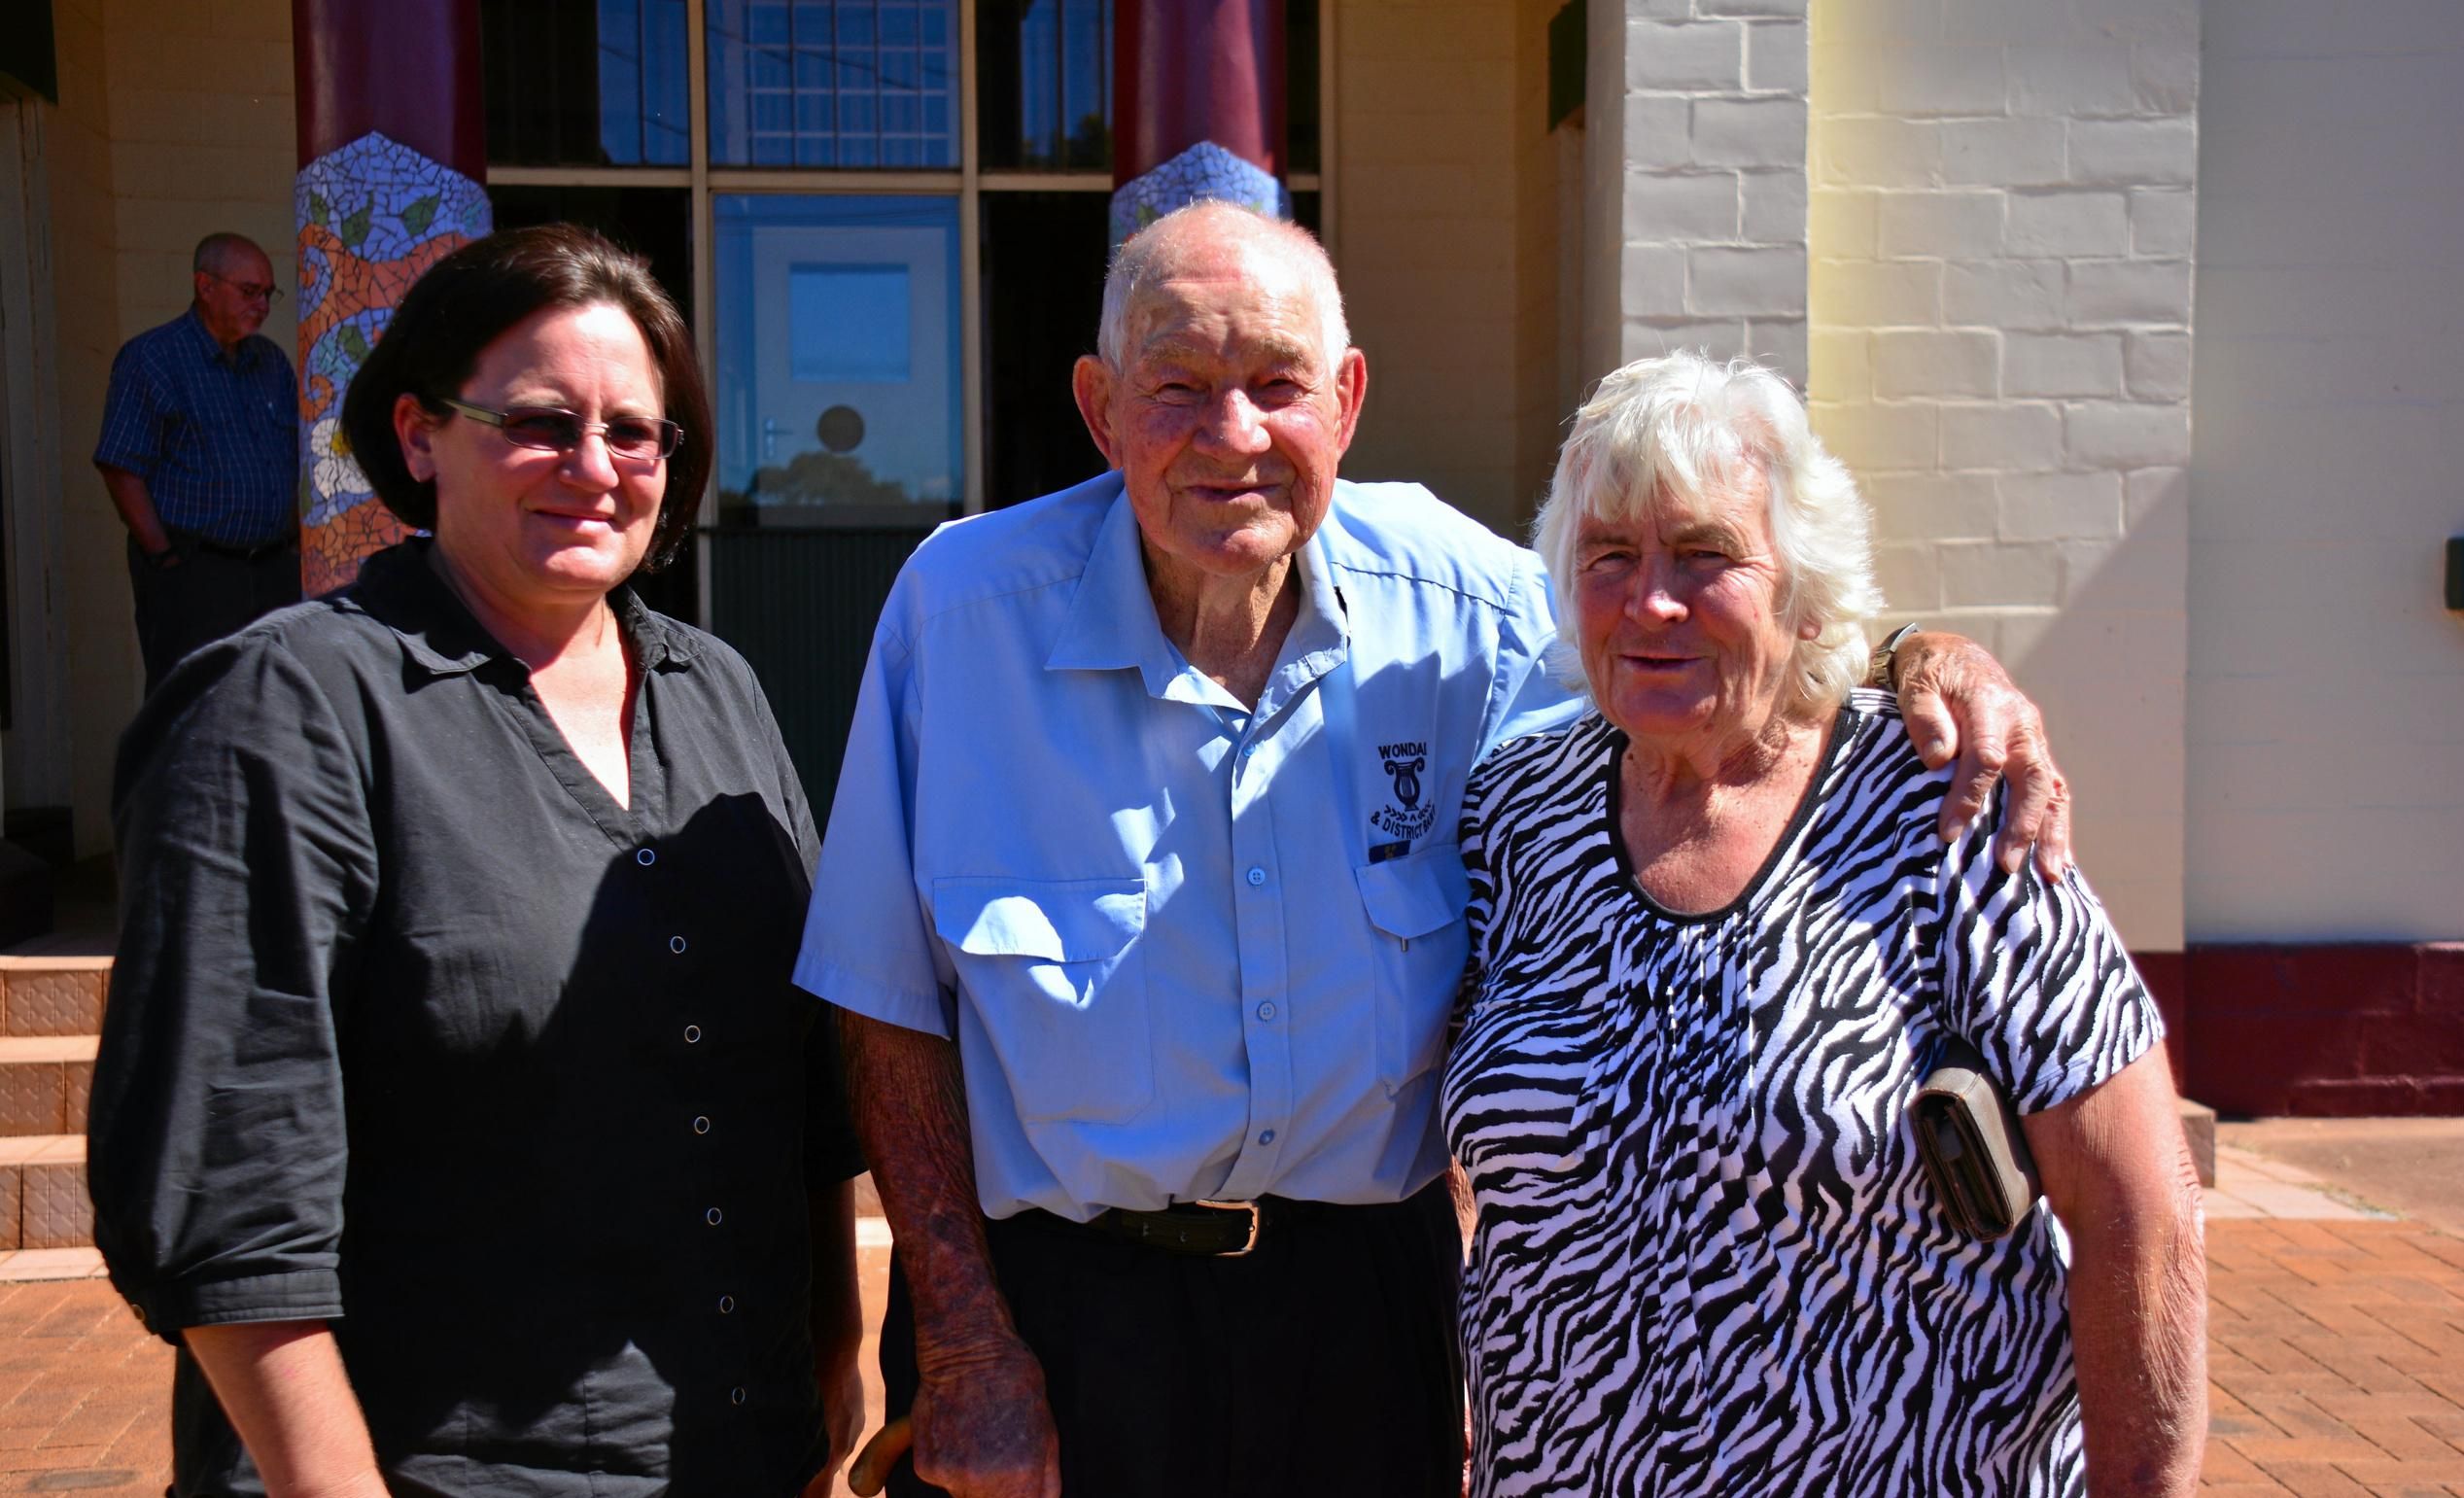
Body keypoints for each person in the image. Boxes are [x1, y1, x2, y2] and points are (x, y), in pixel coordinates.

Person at [797, 200, 2073, 1498]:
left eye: (1275, 386)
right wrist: (962, 1344)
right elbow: (883, 1002)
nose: (1229, 436)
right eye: (1175, 386)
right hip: (1052, 1314)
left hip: (1362, 1312)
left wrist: (1919, 654)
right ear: (1099, 409)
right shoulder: (959, 616)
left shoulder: (1470, 609)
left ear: (1344, 401)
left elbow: (1691, 671)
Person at [88, 225, 866, 1498]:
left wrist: (832, 1353)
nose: (593, 465)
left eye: (633, 431)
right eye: (540, 422)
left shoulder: (715, 691)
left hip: (734, 1450)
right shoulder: (287, 709)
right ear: (416, 435)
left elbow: (802, 1080)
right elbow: (228, 1186)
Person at [1444, 353, 2206, 1497]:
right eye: (1611, 557)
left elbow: (2138, 1217)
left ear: (1802, 592)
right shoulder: (1517, 812)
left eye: (1705, 555)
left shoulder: (1944, 800)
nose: (1652, 599)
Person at [95, 231, 302, 695]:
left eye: (268, 294)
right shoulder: (153, 357)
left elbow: (294, 456)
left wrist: (291, 544)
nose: (263, 305)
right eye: (250, 292)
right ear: (205, 286)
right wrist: (164, 558)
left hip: (272, 569)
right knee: (191, 711)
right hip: (196, 569)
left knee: (276, 706)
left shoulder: (271, 362)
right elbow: (120, 464)